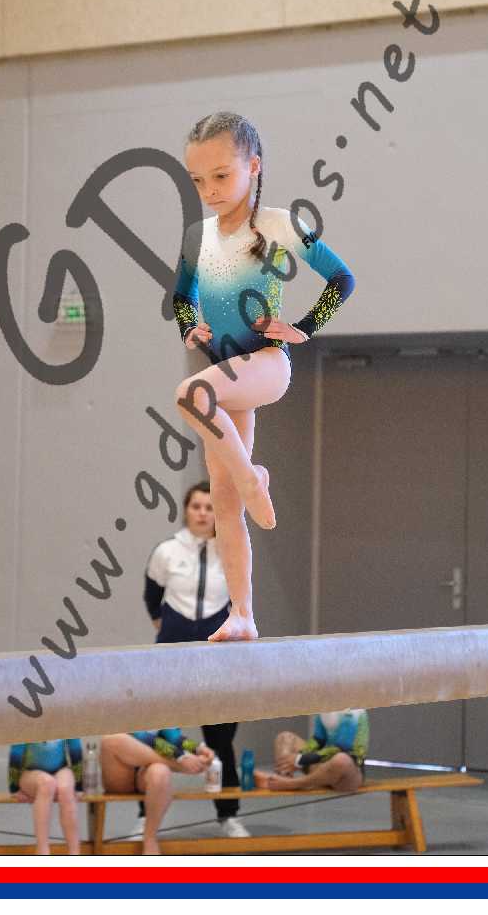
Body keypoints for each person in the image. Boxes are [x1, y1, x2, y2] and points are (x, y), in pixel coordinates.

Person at [172, 110, 355, 641]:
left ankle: (253, 478)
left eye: (221, 175)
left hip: (267, 365)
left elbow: (341, 279)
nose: (209, 190)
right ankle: (243, 615)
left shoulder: (278, 225)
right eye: (197, 180)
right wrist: (190, 326)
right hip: (226, 373)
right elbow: (181, 297)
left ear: (253, 166)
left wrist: (304, 328)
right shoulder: (196, 237)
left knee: (191, 394)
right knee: (224, 501)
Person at [140, 480, 249, 838]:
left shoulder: (233, 550)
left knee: (221, 738)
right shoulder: (167, 551)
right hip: (171, 656)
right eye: (196, 506)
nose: (202, 513)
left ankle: (228, 814)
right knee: (158, 735)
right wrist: (168, 626)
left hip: (215, 658)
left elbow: (241, 600)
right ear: (186, 510)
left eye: (209, 507)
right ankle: (145, 815)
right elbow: (152, 597)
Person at [100, 729, 213, 855]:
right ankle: (177, 766)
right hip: (120, 769)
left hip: (145, 769)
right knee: (113, 738)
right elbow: (141, 736)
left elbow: (174, 737)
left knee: (161, 772)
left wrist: (198, 749)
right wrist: (181, 758)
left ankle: (150, 839)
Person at [254, 709, 370, 793]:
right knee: (285, 738)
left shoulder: (353, 713)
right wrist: (295, 758)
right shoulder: (325, 708)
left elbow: (340, 748)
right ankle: (283, 776)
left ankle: (293, 784)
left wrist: (300, 759)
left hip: (346, 774)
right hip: (323, 766)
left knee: (341, 759)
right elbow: (318, 739)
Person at [8, 739, 82, 855]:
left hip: (60, 770)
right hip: (30, 773)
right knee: (47, 783)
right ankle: (42, 851)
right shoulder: (26, 727)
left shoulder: (65, 726)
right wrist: (14, 788)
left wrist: (79, 786)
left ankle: (75, 852)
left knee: (65, 788)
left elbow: (75, 750)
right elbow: (15, 754)